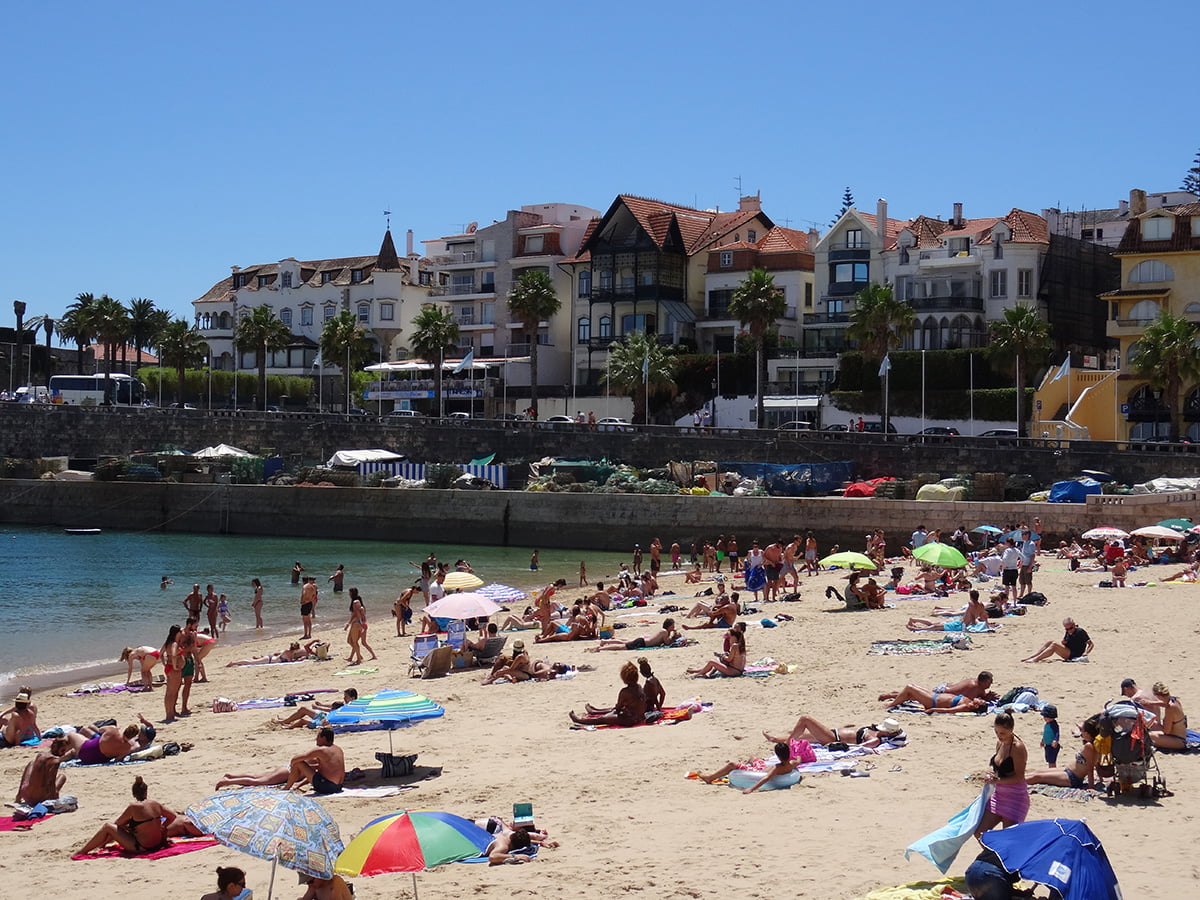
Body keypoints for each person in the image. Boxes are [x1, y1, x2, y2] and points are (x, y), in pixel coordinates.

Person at [77, 776, 201, 855]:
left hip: (142, 847)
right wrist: (163, 826)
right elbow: (172, 816)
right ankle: (100, 844)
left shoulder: (133, 807)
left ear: (134, 794)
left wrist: (128, 828)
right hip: (157, 844)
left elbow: (117, 824)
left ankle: (83, 851)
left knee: (107, 827)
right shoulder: (155, 804)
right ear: (146, 791)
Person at [215, 727, 345, 794]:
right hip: (337, 786)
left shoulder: (321, 751)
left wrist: (294, 768)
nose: (316, 739)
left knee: (258, 779)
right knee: (258, 778)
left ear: (323, 738)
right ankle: (229, 779)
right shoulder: (338, 749)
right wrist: (298, 782)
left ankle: (228, 779)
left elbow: (296, 759)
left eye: (318, 736)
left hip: (326, 786)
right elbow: (317, 774)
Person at [975, 712, 1028, 837]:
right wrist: (991, 773)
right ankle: (995, 856)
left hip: (1015, 798)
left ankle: (1001, 857)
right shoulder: (1000, 743)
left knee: (1008, 839)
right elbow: (997, 766)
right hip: (998, 796)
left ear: (1012, 730)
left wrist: (997, 781)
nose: (999, 736)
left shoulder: (1018, 748)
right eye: (997, 732)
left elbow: (1019, 777)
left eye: (1002, 733)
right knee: (979, 833)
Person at [697, 741, 798, 794]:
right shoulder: (792, 763)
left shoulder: (777, 768)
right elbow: (799, 760)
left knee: (732, 764)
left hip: (758, 772)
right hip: (764, 767)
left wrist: (751, 789)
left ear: (778, 756)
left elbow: (766, 778)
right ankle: (745, 767)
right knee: (753, 759)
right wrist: (799, 753)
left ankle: (710, 778)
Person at [1027, 717, 1100, 789]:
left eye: (1082, 730)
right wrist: (1101, 779)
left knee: (1037, 777)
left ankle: (1016, 782)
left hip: (1072, 778)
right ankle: (1018, 778)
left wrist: (1091, 787)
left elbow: (1090, 768)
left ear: (1087, 733)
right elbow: (1097, 764)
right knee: (1037, 772)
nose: (1081, 732)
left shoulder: (1089, 747)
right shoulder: (1095, 744)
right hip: (1068, 771)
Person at [569, 660, 645, 726]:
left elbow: (618, 707)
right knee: (614, 710)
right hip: (639, 716)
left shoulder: (625, 692)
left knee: (603, 718)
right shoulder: (639, 687)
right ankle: (595, 711)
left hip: (631, 719)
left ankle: (579, 721)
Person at [763, 716, 906, 748]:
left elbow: (859, 748)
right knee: (797, 735)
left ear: (888, 733)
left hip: (832, 737)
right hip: (834, 732)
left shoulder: (875, 740)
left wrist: (840, 746)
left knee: (805, 720)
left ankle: (787, 745)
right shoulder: (876, 731)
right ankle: (775, 739)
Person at [879, 671, 996, 710]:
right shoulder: (973, 686)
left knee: (913, 694)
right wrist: (984, 699)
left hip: (943, 693)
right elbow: (970, 699)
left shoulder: (977, 685)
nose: (991, 684)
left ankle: (893, 695)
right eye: (989, 682)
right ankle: (892, 699)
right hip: (942, 692)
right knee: (913, 694)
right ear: (984, 682)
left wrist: (986, 698)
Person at [16, 736, 70, 804]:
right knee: (62, 777)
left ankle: (18, 796)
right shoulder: (55, 761)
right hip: (39, 798)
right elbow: (51, 783)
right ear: (56, 748)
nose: (63, 754)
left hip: (25, 793)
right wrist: (55, 800)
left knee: (31, 764)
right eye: (62, 750)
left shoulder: (40, 755)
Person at [62, 722, 146, 764]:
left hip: (86, 749)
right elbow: (117, 760)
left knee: (71, 735)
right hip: (94, 760)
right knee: (73, 752)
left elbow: (99, 730)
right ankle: (62, 758)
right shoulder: (127, 748)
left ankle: (57, 753)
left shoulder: (113, 730)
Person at [271, 689, 358, 729]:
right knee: (303, 709)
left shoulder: (351, 707)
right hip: (327, 717)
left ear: (352, 697)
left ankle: (285, 721)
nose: (344, 698)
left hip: (326, 719)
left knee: (303, 709)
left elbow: (334, 711)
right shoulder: (349, 704)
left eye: (346, 697)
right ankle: (287, 720)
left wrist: (319, 707)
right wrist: (322, 705)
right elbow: (335, 705)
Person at [1021, 618, 1093, 663]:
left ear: (1074, 625)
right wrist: (1063, 642)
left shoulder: (1080, 631)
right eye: (1067, 629)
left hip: (1075, 654)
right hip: (1068, 650)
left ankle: (1036, 659)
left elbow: (1091, 644)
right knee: (1050, 642)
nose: (1069, 630)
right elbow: (1066, 641)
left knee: (1054, 645)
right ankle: (1032, 657)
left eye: (1071, 628)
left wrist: (1086, 652)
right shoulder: (1068, 632)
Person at [589, 619, 680, 652]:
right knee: (622, 647)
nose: (673, 628)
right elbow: (667, 643)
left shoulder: (664, 631)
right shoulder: (664, 632)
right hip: (642, 643)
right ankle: (600, 649)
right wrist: (673, 635)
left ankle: (605, 642)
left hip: (643, 641)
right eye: (672, 626)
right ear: (669, 626)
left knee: (625, 642)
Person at [1150, 682, 1188, 750]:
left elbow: (1166, 731)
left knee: (1148, 736)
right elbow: (1165, 703)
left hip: (1178, 740)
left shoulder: (1170, 708)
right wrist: (1150, 703)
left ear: (1158, 696)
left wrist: (1155, 723)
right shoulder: (1174, 700)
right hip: (1180, 735)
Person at [343, 587, 376, 664]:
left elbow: (356, 614)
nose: (348, 594)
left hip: (357, 623)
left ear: (352, 593)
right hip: (360, 623)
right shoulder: (359, 602)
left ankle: (358, 659)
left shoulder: (355, 602)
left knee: (354, 642)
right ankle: (354, 657)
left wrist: (357, 624)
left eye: (349, 593)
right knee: (353, 641)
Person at [160, 625, 183, 722]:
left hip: (169, 668)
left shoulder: (167, 643)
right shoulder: (174, 644)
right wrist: (174, 666)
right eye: (180, 632)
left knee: (170, 692)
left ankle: (170, 713)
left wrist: (164, 663)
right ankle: (169, 715)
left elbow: (160, 654)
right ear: (176, 633)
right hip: (174, 669)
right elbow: (173, 655)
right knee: (172, 693)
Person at [225, 641, 310, 666]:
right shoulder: (288, 654)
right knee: (250, 663)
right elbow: (290, 661)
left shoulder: (286, 651)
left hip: (270, 658)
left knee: (252, 661)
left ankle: (239, 662)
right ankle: (234, 662)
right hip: (269, 660)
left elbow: (277, 653)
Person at [1000, 538, 1021, 602]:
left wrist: (1002, 567)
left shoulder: (1007, 550)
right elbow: (1023, 558)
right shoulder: (1017, 550)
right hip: (1014, 569)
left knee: (1007, 587)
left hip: (1008, 569)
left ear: (1008, 543)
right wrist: (1019, 565)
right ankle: (1014, 601)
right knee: (1014, 586)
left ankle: (1005, 602)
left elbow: (1004, 559)